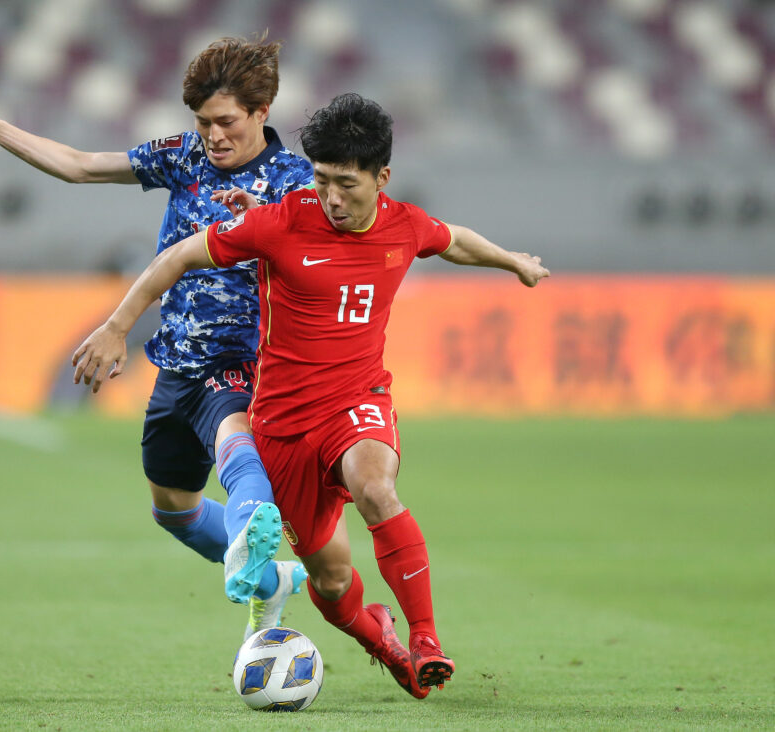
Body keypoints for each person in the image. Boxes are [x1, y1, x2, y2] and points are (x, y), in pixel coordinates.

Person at [70, 93, 550, 698]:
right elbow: (179, 256)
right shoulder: (281, 221)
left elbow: (453, 240)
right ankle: (384, 640)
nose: (332, 198)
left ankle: (426, 638)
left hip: (357, 402)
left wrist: (513, 263)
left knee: (376, 486)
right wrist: (117, 326)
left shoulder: (404, 223)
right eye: (321, 180)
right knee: (330, 579)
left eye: (346, 184)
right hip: (282, 428)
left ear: (382, 178)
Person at [0, 37, 315, 638]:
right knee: (175, 510)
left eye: (225, 122)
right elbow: (81, 166)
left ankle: (255, 517)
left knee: (235, 439)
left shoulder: (295, 183)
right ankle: (271, 574)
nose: (213, 135)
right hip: (177, 362)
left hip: (247, 358)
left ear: (261, 112)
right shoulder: (184, 155)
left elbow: (329, 254)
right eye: (203, 122)